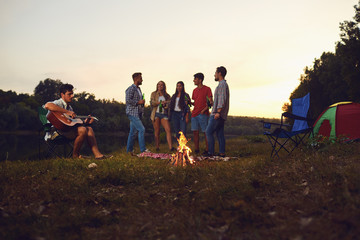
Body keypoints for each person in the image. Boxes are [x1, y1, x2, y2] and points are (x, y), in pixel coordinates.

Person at [44, 83, 111, 159]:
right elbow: (47, 105)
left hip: (65, 130)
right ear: (62, 95)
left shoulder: (70, 107)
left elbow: (72, 123)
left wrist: (85, 122)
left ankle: (98, 155)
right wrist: (67, 112)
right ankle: (75, 156)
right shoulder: (58, 103)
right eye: (69, 94)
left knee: (89, 129)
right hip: (55, 133)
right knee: (82, 130)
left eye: (72, 94)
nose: (72, 96)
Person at [205, 66, 230, 157]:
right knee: (219, 133)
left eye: (215, 73)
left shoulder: (222, 84)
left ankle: (210, 153)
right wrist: (212, 103)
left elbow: (222, 99)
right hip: (219, 113)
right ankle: (221, 153)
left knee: (208, 132)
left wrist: (218, 112)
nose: (214, 75)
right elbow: (220, 99)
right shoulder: (222, 85)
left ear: (220, 73)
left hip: (217, 114)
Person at [125, 72, 149, 154]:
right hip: (132, 113)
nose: (142, 80)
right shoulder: (131, 88)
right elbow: (128, 100)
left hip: (137, 113)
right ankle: (143, 150)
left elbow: (138, 101)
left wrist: (141, 103)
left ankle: (129, 151)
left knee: (132, 133)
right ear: (136, 79)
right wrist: (138, 102)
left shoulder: (138, 89)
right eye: (140, 78)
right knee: (142, 129)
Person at [191, 73, 213, 154]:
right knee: (195, 132)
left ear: (200, 80)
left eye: (195, 79)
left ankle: (208, 150)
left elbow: (211, 103)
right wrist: (190, 102)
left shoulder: (207, 89)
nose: (194, 80)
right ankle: (197, 150)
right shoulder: (194, 91)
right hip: (194, 114)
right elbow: (196, 102)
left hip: (203, 114)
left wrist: (204, 110)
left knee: (205, 132)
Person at [150, 81, 174, 152]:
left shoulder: (167, 95)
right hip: (156, 113)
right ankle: (157, 147)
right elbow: (152, 103)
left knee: (168, 130)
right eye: (158, 84)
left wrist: (165, 105)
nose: (160, 86)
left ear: (164, 86)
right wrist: (159, 103)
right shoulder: (153, 94)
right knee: (157, 131)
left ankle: (171, 148)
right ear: (157, 85)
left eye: (161, 85)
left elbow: (169, 105)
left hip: (164, 114)